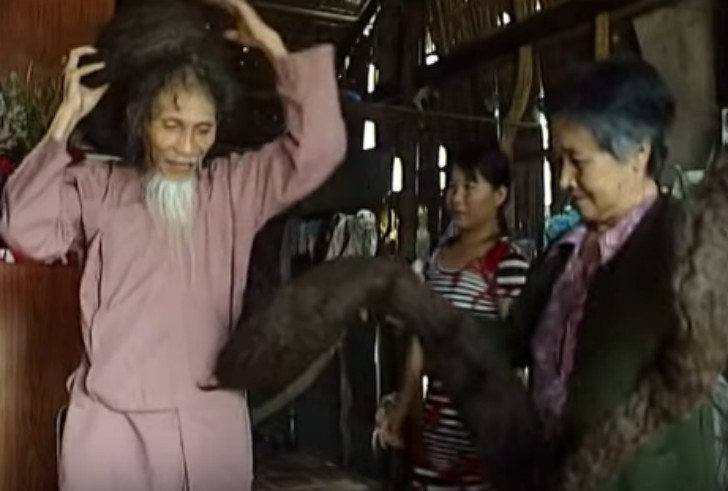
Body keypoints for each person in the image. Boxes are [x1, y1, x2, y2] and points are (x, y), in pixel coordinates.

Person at [0, 1, 346, 490]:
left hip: (207, 430)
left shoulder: (234, 190)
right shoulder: (99, 187)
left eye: (203, 130)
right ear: (143, 122)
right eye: (172, 126)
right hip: (110, 431)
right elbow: (23, 229)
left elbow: (319, 150)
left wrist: (271, 46)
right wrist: (65, 117)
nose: (188, 147)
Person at [511, 57, 716, 491]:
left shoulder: (681, 246)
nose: (563, 178)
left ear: (638, 153)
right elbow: (512, 341)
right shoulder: (564, 252)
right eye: (557, 159)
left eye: (577, 160)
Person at [379, 144, 530, 490]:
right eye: (452, 187)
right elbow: (419, 342)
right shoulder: (438, 261)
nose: (456, 197)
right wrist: (403, 407)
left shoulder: (508, 266)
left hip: (481, 432)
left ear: (499, 194)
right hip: (433, 428)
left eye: (469, 186)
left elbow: (515, 358)